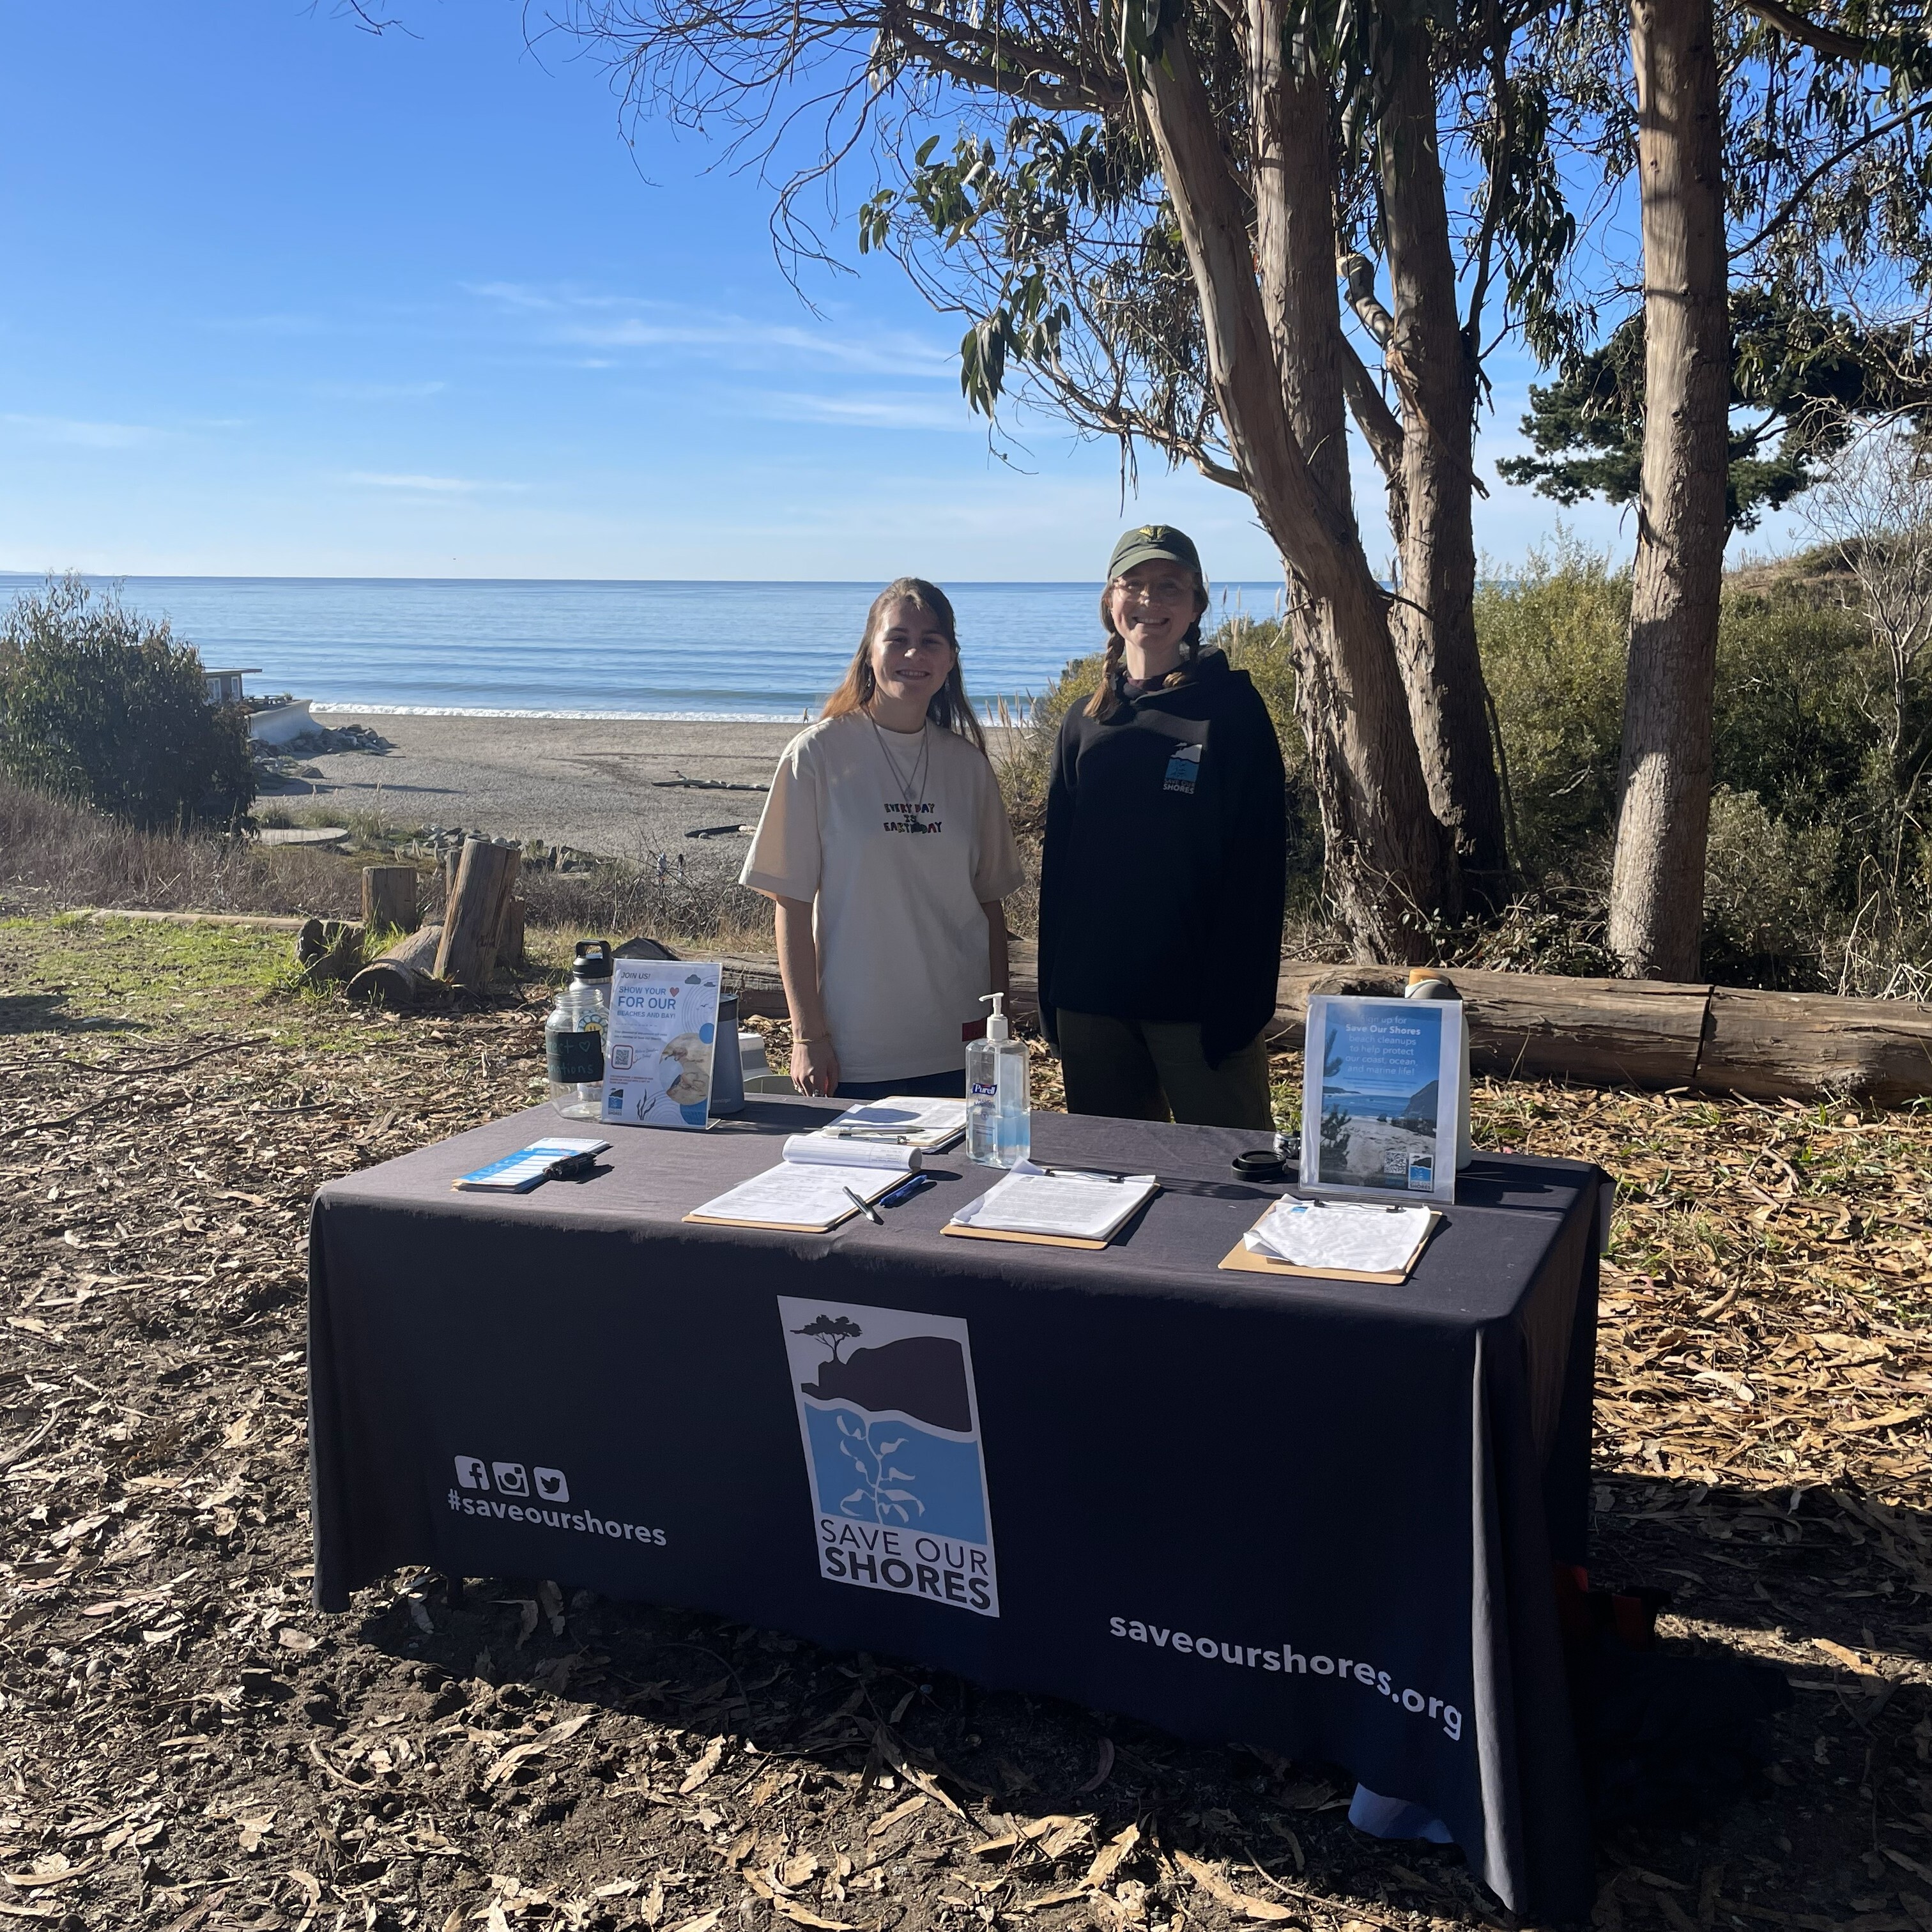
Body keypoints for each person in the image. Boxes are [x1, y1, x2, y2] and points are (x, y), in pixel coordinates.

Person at [1038, 525, 1287, 1128]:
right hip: (1093, 1004)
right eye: (1135, 585)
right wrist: (1054, 997)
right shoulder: (1085, 722)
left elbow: (1260, 868)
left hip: (1200, 1008)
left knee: (1235, 1182)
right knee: (1109, 1183)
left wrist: (1243, 1006)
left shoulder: (1232, 711)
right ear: (1111, 602)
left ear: (1197, 604)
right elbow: (1060, 871)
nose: (1151, 600)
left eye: (1170, 586)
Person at [741, 578, 1023, 1100]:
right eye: (898, 639)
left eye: (932, 641)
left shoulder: (968, 767)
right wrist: (808, 1034)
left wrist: (997, 1028)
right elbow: (791, 904)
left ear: (950, 659)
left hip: (960, 1039)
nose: (914, 653)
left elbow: (989, 905)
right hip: (857, 1046)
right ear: (870, 652)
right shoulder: (817, 757)